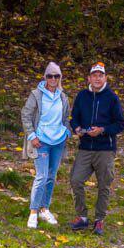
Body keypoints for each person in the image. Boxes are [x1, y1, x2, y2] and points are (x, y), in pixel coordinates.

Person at [69, 62, 124, 235]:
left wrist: (102, 130)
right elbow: (74, 118)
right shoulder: (82, 96)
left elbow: (120, 124)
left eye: (100, 75)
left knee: (104, 186)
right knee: (75, 180)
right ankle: (82, 217)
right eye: (94, 75)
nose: (97, 78)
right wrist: (77, 128)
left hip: (105, 149)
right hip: (85, 147)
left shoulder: (112, 97)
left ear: (105, 78)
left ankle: (99, 220)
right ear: (89, 78)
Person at [21, 62, 71, 228]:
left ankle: (44, 208)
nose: (53, 79)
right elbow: (26, 115)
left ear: (60, 78)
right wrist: (32, 135)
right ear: (45, 77)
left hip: (58, 142)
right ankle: (33, 212)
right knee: (41, 176)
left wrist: (66, 132)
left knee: (51, 176)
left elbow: (65, 117)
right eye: (50, 75)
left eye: (56, 76)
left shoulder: (63, 97)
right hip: (41, 141)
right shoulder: (36, 95)